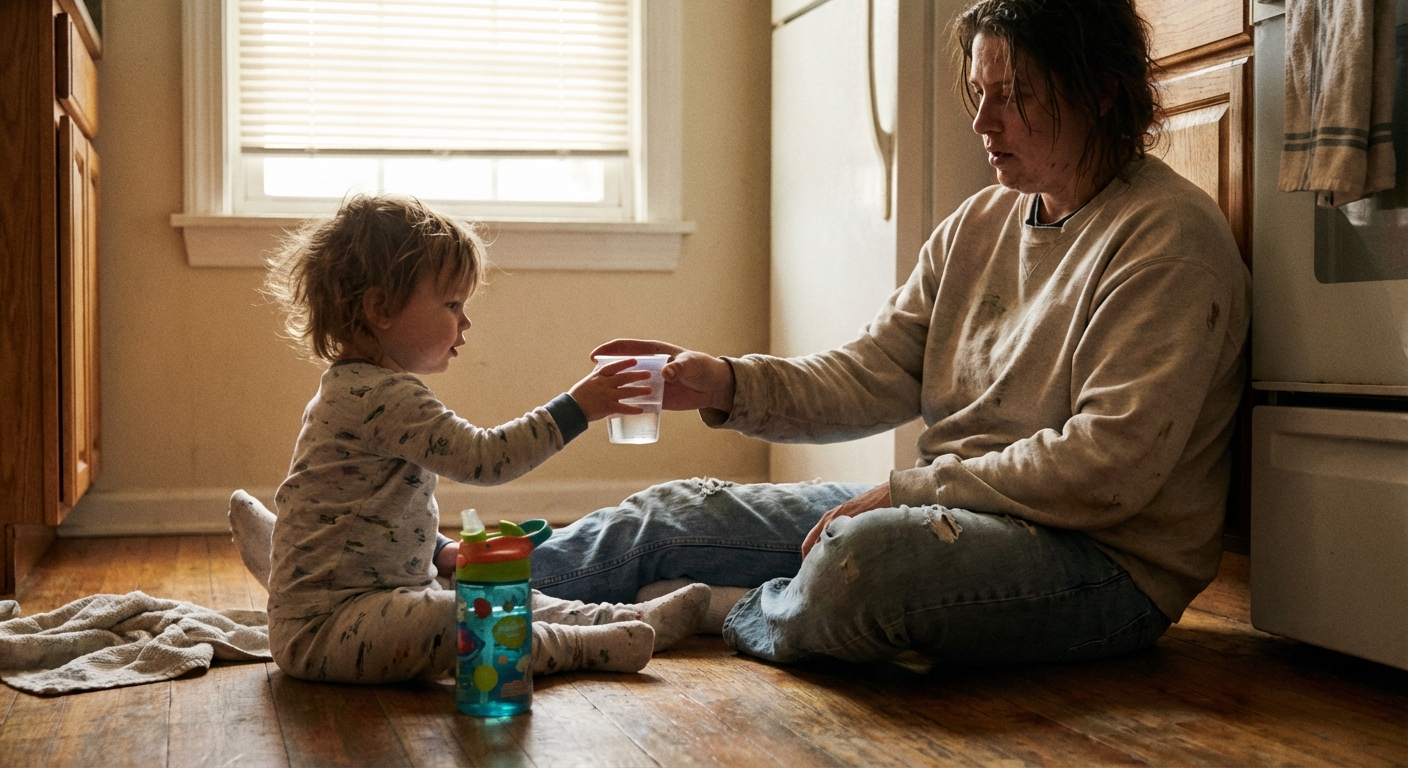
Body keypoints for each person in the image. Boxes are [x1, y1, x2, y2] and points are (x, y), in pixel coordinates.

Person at [520, 0, 1252, 668]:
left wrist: (905, 492)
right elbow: (869, 374)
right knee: (673, 512)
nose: (983, 122)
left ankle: (713, 610)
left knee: (860, 561)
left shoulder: (1169, 240)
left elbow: (1108, 466)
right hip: (952, 515)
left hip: (1107, 563)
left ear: (1100, 91)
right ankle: (462, 586)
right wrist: (723, 381)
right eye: (980, 92)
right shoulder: (978, 225)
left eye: (1015, 95)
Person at [229, 193, 710, 684]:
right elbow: (486, 459)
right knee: (469, 616)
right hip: (328, 630)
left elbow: (370, 510)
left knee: (492, 590)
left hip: (374, 600)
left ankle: (620, 619)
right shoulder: (380, 396)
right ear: (381, 308)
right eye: (452, 304)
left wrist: (440, 550)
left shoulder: (360, 389)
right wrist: (579, 407)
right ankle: (586, 645)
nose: (466, 321)